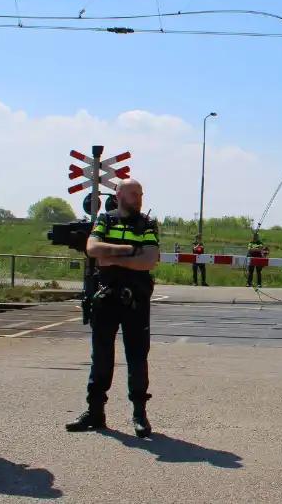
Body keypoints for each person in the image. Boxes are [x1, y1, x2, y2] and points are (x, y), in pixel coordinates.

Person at [66, 179, 160, 438]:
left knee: (137, 358)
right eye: (132, 194)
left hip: (136, 299)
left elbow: (150, 259)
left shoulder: (147, 223)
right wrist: (131, 250)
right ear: (118, 195)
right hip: (106, 298)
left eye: (140, 194)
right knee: (101, 358)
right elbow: (93, 248)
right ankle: (95, 412)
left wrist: (113, 258)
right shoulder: (105, 220)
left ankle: (140, 414)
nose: (137, 199)